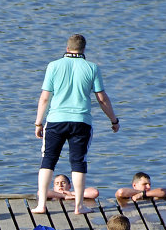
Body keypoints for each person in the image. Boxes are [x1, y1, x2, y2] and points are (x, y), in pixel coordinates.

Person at [31, 34, 120, 216]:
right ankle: (79, 206)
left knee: (48, 159)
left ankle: (41, 205)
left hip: (56, 120)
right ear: (84, 49)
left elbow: (45, 98)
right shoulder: (92, 68)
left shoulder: (53, 66)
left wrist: (38, 122)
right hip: (81, 121)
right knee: (78, 162)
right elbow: (102, 99)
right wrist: (114, 120)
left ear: (67, 47)